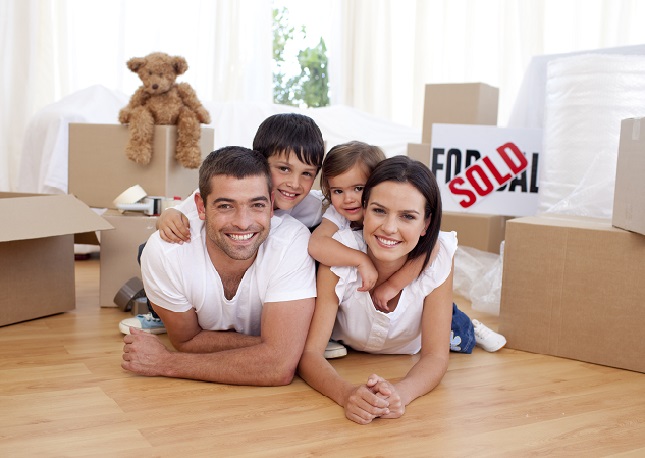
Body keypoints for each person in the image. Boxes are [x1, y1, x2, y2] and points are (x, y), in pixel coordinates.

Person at [298, 156, 502, 424]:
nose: (389, 228)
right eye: (379, 211)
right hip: (356, 345)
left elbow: (435, 356)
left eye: (407, 216)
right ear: (363, 209)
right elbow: (310, 354)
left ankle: (464, 324)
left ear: (426, 224)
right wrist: (347, 394)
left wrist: (401, 393)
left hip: (418, 342)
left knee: (459, 334)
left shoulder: (438, 257)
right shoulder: (339, 255)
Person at [121, 146, 316, 386]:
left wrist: (165, 362)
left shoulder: (293, 239)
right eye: (225, 206)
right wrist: (282, 347)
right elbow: (187, 341)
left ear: (271, 202)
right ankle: (156, 308)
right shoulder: (166, 251)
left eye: (257, 205)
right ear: (201, 207)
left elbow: (278, 367)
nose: (243, 223)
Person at [309, 143, 505, 353]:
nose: (348, 199)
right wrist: (360, 259)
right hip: (367, 306)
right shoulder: (337, 215)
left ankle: (471, 328)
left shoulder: (397, 213)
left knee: (451, 324)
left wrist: (393, 285)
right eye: (338, 191)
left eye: (358, 188)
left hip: (413, 289)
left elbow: (432, 251)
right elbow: (317, 244)